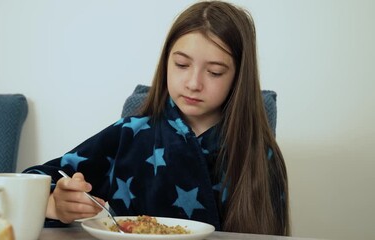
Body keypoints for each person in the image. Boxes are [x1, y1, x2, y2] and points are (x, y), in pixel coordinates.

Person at [24, 0, 289, 235]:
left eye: (215, 72)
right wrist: (55, 204)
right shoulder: (127, 134)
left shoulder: (259, 156)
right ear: (165, 63)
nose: (193, 83)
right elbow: (29, 181)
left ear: (239, 79)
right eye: (182, 65)